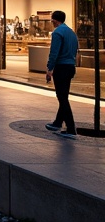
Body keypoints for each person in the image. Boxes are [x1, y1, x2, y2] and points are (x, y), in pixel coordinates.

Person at [45, 9, 79, 139]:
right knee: (64, 95)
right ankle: (57, 123)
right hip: (70, 67)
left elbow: (54, 53)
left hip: (61, 67)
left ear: (54, 20)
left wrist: (49, 69)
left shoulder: (57, 33)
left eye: (51, 20)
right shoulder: (72, 33)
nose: (51, 22)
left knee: (62, 97)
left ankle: (71, 128)